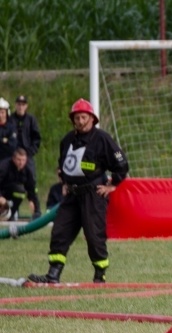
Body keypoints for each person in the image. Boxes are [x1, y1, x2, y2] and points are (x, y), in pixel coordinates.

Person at [28, 99, 129, 284]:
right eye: (77, 117)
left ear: (92, 119)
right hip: (72, 195)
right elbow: (62, 164)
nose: (80, 121)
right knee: (60, 231)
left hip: (93, 195)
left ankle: (100, 275)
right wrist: (65, 182)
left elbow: (121, 164)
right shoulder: (67, 140)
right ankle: (53, 274)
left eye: (83, 117)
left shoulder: (102, 139)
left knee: (93, 235)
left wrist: (113, 185)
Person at [0, 148, 39, 221]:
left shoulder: (27, 169)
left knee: (20, 191)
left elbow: (31, 188)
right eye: (19, 160)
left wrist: (32, 202)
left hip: (10, 192)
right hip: (2, 191)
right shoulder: (4, 166)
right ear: (13, 159)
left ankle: (10, 214)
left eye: (23, 160)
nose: (21, 163)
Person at [10, 95, 42, 178]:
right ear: (15, 105)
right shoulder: (10, 119)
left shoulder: (31, 120)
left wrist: (30, 152)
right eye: (19, 104)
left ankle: (32, 190)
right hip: (12, 154)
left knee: (31, 174)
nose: (20, 107)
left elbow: (36, 138)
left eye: (23, 105)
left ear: (26, 106)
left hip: (27, 154)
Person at [0, 97, 18, 163]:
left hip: (7, 161)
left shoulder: (11, 127)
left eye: (2, 112)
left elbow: (12, 146)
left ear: (7, 113)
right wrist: (3, 140)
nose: (0, 115)